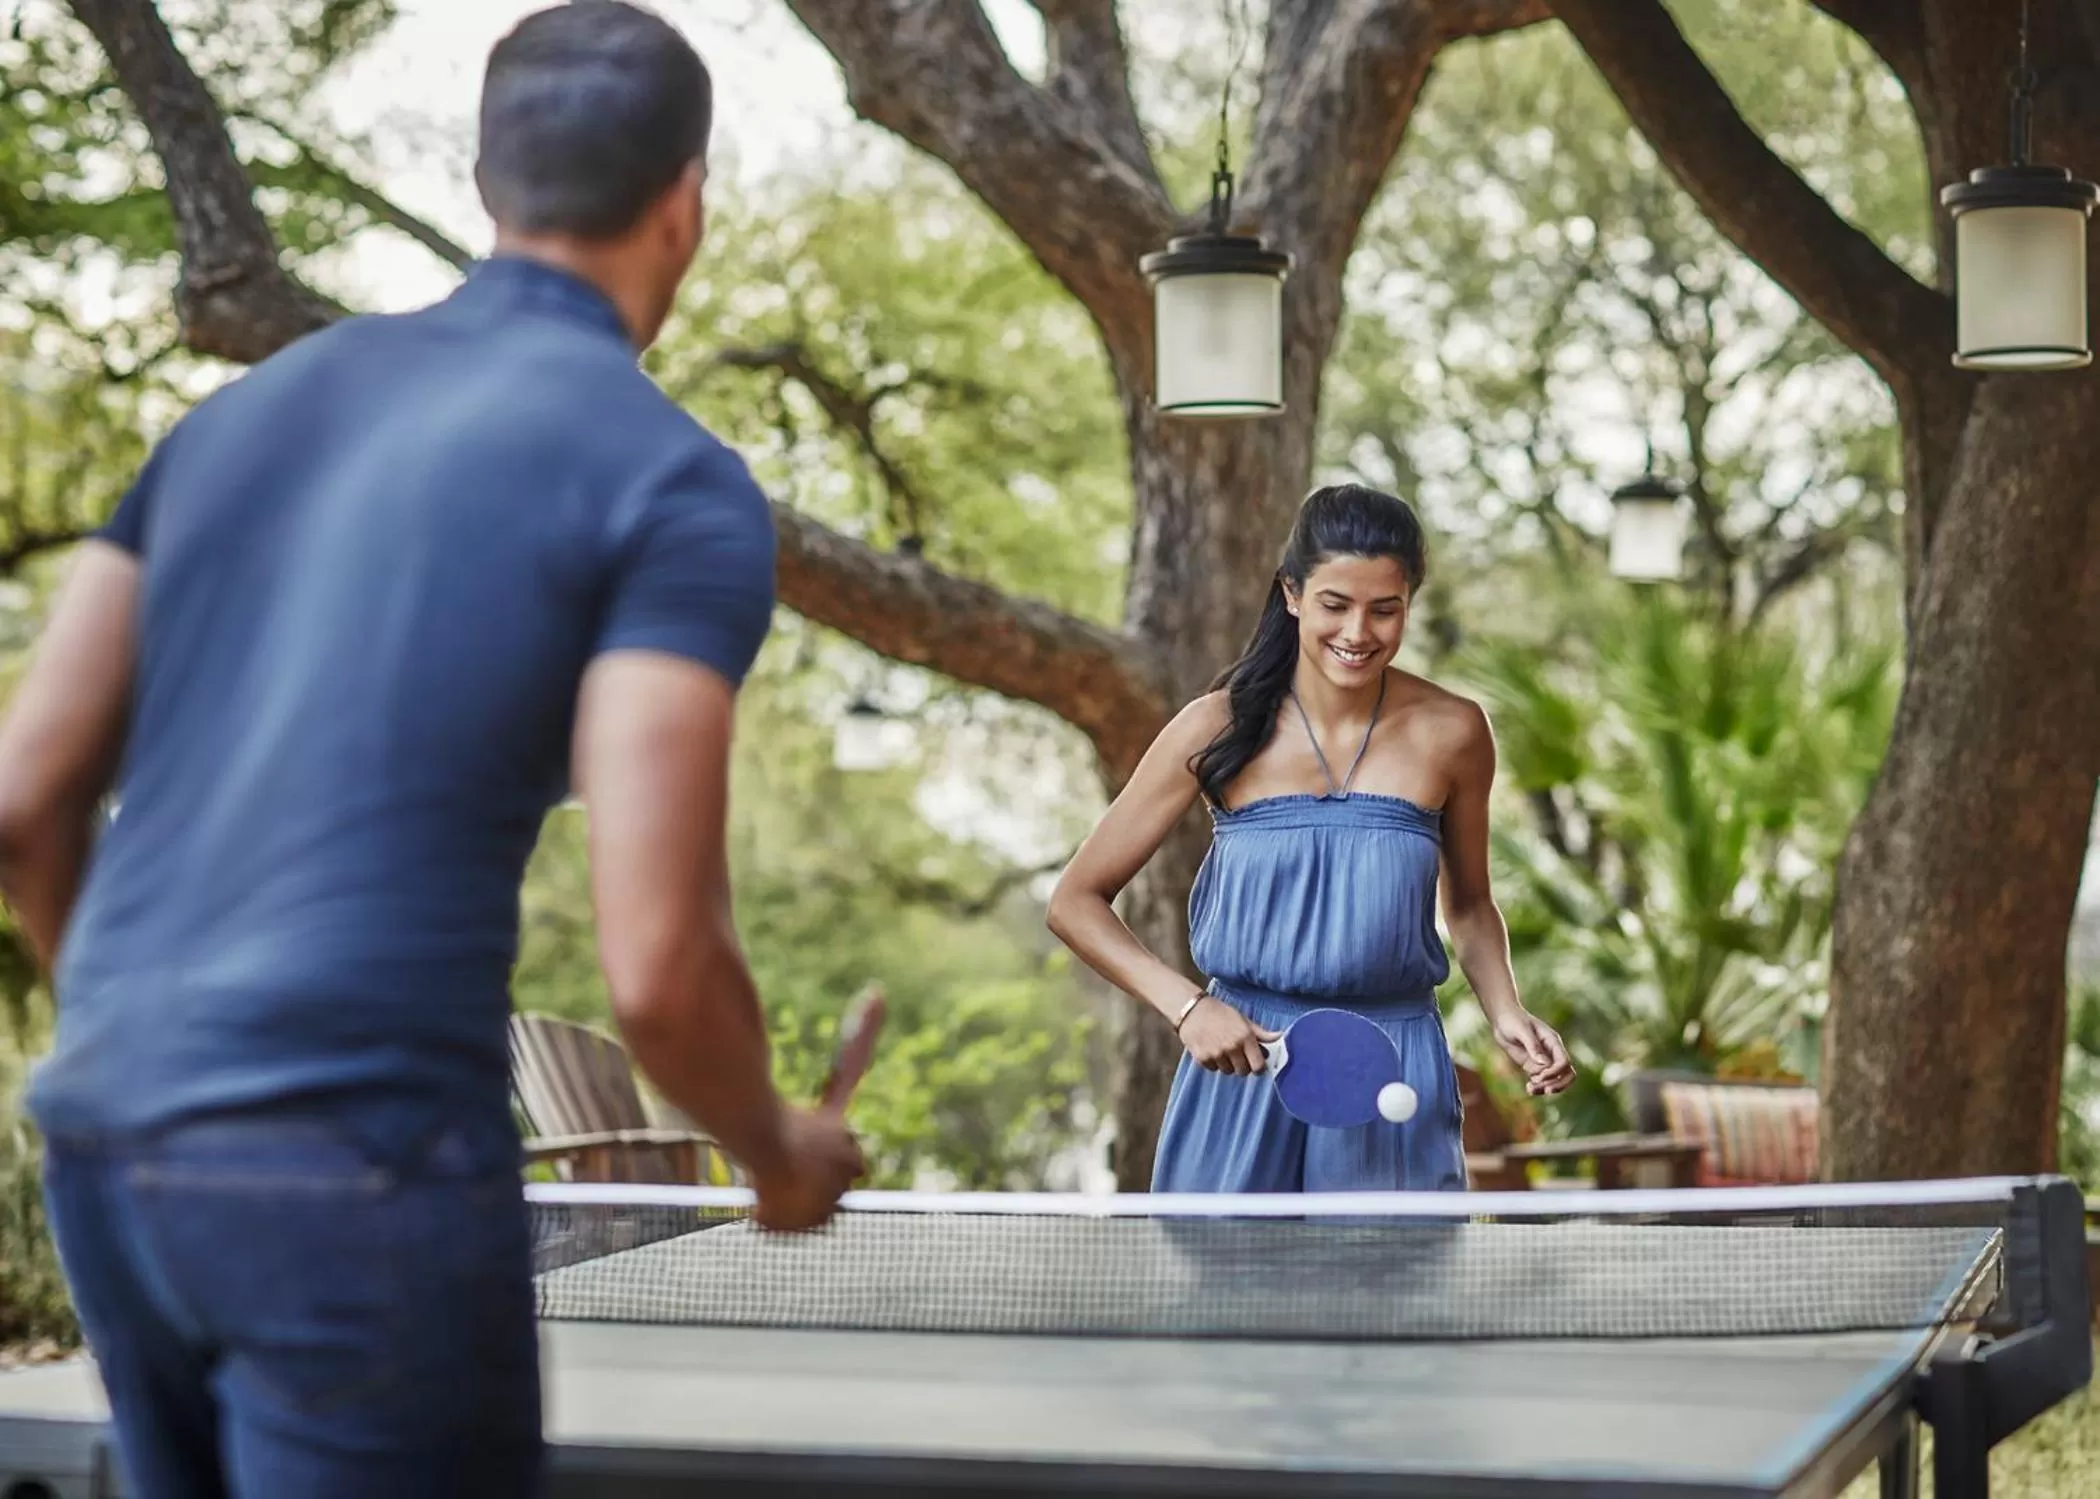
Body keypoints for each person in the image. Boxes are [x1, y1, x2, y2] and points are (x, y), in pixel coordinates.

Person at [0, 4, 862, 1495]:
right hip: (355, 1166)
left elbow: (23, 801)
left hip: (111, 1138)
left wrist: (165, 1046)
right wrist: (775, 1149)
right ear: (686, 199)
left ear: (484, 183)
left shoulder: (233, 422)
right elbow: (657, 966)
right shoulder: (669, 482)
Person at [1048, 483, 1574, 1193]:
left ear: (1409, 604)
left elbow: (1471, 906)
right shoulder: (1215, 727)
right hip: (1241, 1065)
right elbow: (1075, 899)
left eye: (1385, 609)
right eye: (1336, 603)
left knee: (1390, 1300)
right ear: (1292, 594)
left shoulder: (1453, 732)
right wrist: (1188, 1007)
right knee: (1222, 1304)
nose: (1359, 632)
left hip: (1395, 1063)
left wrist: (1507, 1010)